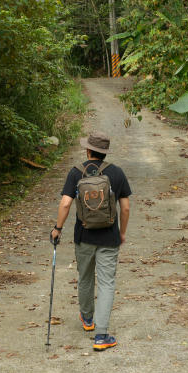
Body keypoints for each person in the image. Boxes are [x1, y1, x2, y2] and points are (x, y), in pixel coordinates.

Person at [50, 130, 131, 351]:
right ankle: (102, 336)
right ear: (105, 152)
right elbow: (125, 207)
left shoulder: (76, 172)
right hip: (109, 237)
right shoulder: (116, 173)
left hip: (84, 236)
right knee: (106, 283)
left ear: (88, 150)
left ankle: (87, 319)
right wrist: (122, 232)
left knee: (85, 277)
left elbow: (65, 204)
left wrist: (58, 229)